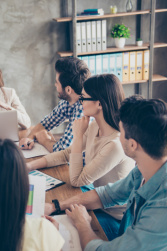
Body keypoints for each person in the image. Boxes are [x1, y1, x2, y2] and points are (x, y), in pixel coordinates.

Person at [46, 96, 167, 250]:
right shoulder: (154, 163)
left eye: (120, 131)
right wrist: (54, 206)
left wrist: (83, 224)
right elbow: (107, 194)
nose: (118, 135)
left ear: (133, 144)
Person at [28, 74, 135, 240]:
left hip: (112, 217)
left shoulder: (115, 144)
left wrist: (78, 137)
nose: (80, 102)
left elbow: (78, 180)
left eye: (84, 98)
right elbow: (66, 154)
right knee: (52, 197)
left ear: (99, 103)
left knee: (57, 229)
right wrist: (29, 166)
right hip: (96, 198)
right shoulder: (94, 126)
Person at [19, 57, 90, 152]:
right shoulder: (69, 100)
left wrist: (44, 139)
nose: (55, 85)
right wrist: (30, 138)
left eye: (57, 82)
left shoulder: (83, 110)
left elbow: (64, 150)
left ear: (68, 90)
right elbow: (46, 122)